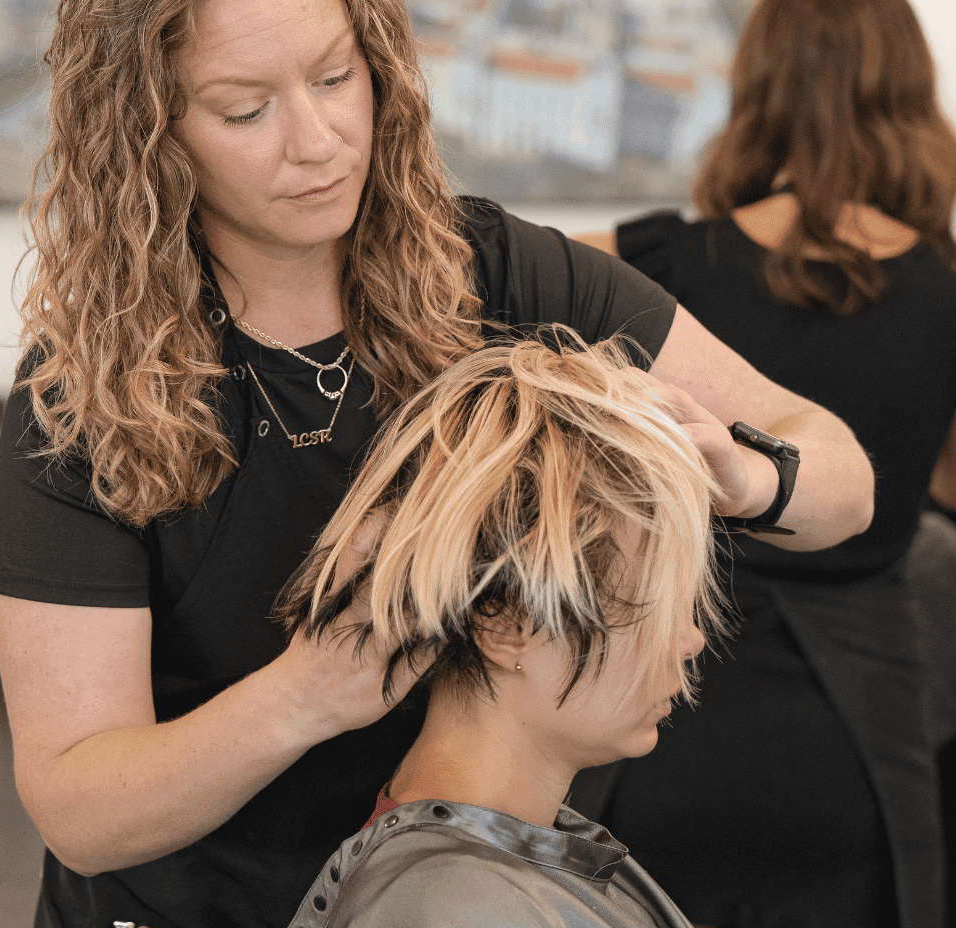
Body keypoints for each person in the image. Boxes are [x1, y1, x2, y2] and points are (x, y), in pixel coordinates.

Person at [0, 0, 874, 926]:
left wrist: (747, 474)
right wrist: (306, 693)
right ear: (150, 136)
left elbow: (838, 472)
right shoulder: (89, 389)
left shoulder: (493, 273)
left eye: (333, 76)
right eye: (244, 110)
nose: (317, 143)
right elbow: (79, 805)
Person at [573, 0, 956, 928]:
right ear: (911, 95)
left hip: (665, 712)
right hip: (856, 745)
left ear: (755, 89)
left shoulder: (652, 263)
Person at [277, 336, 721, 928]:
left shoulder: (489, 872)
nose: (690, 639)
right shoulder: (454, 908)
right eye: (658, 603)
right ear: (509, 624)